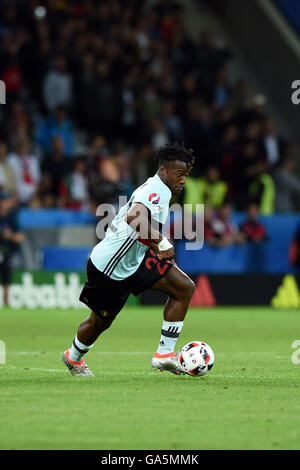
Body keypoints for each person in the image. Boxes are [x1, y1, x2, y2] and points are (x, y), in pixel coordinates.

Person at [62, 142, 196, 376]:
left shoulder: (163, 190)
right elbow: (134, 217)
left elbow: (141, 228)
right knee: (100, 322)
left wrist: (156, 248)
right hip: (109, 267)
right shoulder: (156, 191)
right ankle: (73, 358)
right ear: (163, 171)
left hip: (135, 260)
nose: (183, 179)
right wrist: (161, 242)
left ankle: (164, 354)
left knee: (184, 288)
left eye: (186, 174)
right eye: (179, 174)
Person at [0, 191, 24, 305]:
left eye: (5, 201)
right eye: (2, 201)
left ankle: (6, 303)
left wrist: (9, 235)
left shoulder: (12, 217)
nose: (3, 204)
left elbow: (20, 237)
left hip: (8, 253)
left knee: (6, 278)